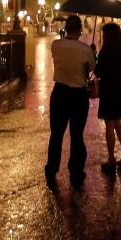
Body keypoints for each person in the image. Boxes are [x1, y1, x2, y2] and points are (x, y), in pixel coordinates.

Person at [46, 14, 96, 184]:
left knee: (56, 134)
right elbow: (92, 68)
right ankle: (75, 169)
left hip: (59, 93)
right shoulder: (85, 49)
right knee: (76, 134)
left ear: (66, 28)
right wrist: (93, 52)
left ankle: (51, 168)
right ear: (80, 30)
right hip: (78, 95)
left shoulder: (56, 45)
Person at [95, 22, 121, 172]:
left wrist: (96, 56)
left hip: (108, 89)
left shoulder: (105, 51)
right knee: (118, 124)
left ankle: (111, 158)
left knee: (110, 125)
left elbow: (98, 72)